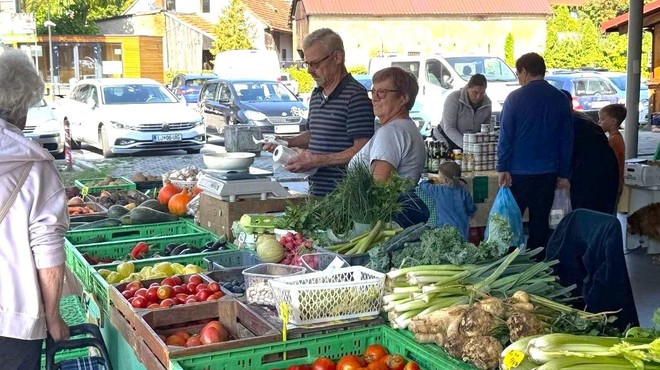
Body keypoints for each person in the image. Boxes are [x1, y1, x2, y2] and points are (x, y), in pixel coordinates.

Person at [0, 49, 70, 369]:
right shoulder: (36, 168)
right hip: (14, 320)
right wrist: (53, 317)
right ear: (21, 109)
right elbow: (49, 255)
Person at [264, 28, 375, 196]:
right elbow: (314, 135)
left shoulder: (355, 96)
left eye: (315, 64)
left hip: (345, 197)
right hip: (317, 193)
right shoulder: (316, 94)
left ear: (337, 57)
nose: (309, 71)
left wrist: (316, 161)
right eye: (307, 64)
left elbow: (362, 150)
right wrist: (286, 143)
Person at [497, 52, 573, 253]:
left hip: (518, 173)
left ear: (524, 71)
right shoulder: (560, 99)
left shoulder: (515, 98)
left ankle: (509, 263)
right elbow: (566, 140)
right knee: (540, 223)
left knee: (512, 222)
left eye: (518, 73)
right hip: (547, 173)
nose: (518, 78)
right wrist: (563, 174)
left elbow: (506, 136)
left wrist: (502, 167)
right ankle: (538, 265)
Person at [349, 67, 429, 227]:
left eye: (383, 92)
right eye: (373, 92)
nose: (375, 98)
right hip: (395, 222)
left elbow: (378, 189)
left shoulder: (390, 133)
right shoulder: (408, 128)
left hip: (382, 226)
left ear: (403, 98)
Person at [560, 90, 619, 215]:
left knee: (584, 215)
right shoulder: (582, 119)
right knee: (599, 215)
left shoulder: (567, 122)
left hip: (586, 174)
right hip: (605, 171)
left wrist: (564, 176)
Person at [419, 161, 476, 239]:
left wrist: (432, 180)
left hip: (444, 227)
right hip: (462, 226)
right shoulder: (464, 191)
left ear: (444, 180)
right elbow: (471, 208)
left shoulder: (438, 190)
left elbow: (423, 185)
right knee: (462, 246)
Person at [433, 74, 492, 149]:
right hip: (444, 139)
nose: (478, 97)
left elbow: (485, 129)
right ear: (467, 88)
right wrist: (467, 147)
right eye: (475, 92)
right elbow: (449, 128)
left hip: (470, 142)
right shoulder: (453, 98)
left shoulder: (487, 103)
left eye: (482, 93)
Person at [599, 103, 627, 202]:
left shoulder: (613, 140)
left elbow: (610, 163)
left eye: (602, 119)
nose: (599, 122)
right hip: (616, 183)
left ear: (613, 121)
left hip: (613, 183)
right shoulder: (617, 138)